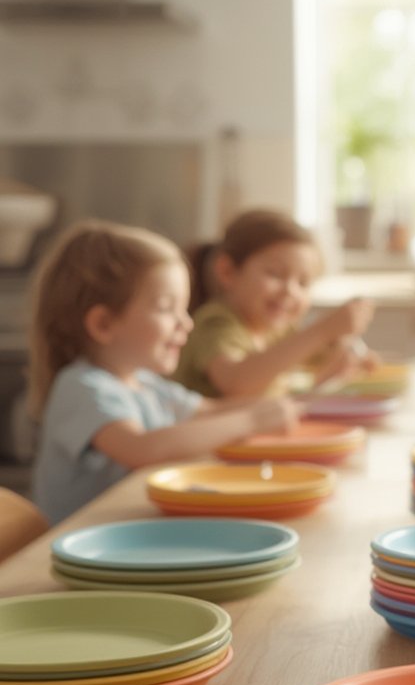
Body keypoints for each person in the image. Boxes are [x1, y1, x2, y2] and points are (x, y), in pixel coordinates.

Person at [29, 221, 302, 524]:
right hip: (75, 549)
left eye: (183, 309)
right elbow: (141, 449)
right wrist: (251, 420)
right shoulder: (81, 387)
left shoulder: (146, 384)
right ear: (104, 324)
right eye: (166, 308)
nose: (186, 324)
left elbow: (209, 412)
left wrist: (284, 406)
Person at [176, 208, 374, 399]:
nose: (290, 291)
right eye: (275, 274)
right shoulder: (216, 324)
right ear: (227, 271)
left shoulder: (275, 331)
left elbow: (310, 359)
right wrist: (323, 330)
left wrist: (342, 351)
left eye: (303, 283)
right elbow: (237, 382)